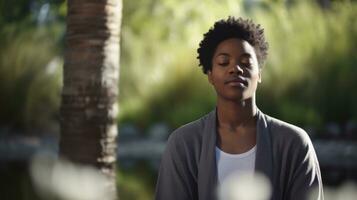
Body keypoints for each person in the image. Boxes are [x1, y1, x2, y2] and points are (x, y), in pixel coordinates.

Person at [155, 16, 324, 200]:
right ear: (210, 75)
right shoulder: (183, 145)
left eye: (245, 62)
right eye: (223, 62)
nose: (235, 69)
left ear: (259, 74)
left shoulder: (294, 144)